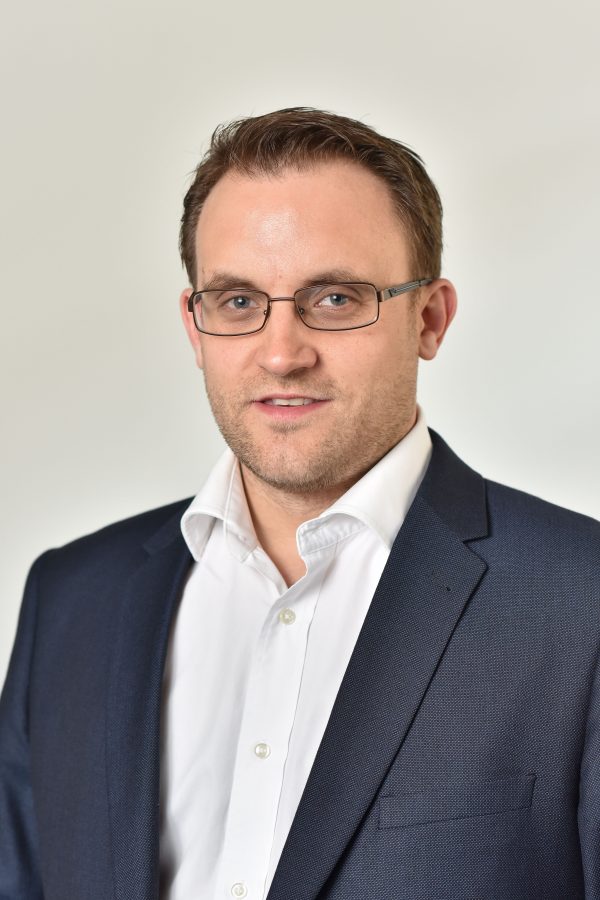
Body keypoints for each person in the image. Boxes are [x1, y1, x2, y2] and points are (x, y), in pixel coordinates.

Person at [1, 107, 599, 900]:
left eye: (338, 298)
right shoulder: (72, 600)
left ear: (430, 318)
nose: (282, 353)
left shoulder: (580, 601)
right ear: (195, 327)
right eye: (238, 302)